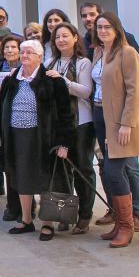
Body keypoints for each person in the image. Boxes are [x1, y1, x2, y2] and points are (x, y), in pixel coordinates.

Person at [0, 40, 74, 240]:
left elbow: (65, 115)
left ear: (40, 56)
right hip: (16, 136)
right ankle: (26, 220)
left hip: (43, 138)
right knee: (20, 177)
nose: (24, 55)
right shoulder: (11, 80)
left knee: (46, 179)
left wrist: (64, 142)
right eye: (22, 52)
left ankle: (47, 223)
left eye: (29, 52)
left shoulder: (53, 81)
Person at [80, 1, 139, 230]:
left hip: (120, 119)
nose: (102, 31)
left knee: (123, 168)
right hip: (100, 114)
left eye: (106, 27)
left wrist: (129, 122)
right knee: (109, 168)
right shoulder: (98, 52)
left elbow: (135, 88)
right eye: (99, 28)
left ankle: (131, 218)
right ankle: (119, 216)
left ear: (116, 29)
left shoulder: (127, 51)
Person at [46, 22, 96, 233]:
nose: (61, 40)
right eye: (57, 37)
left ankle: (85, 213)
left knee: (82, 167)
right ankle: (65, 212)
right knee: (62, 170)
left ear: (75, 37)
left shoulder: (84, 63)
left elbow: (86, 92)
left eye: (65, 36)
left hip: (81, 122)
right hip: (58, 124)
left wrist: (62, 81)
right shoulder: (50, 62)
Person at [0, 33, 23, 222]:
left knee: (22, 167)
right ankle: (12, 206)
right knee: (8, 166)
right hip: (3, 123)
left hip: (22, 122)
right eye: (7, 48)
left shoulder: (27, 71)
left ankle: (27, 208)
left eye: (13, 48)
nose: (10, 51)